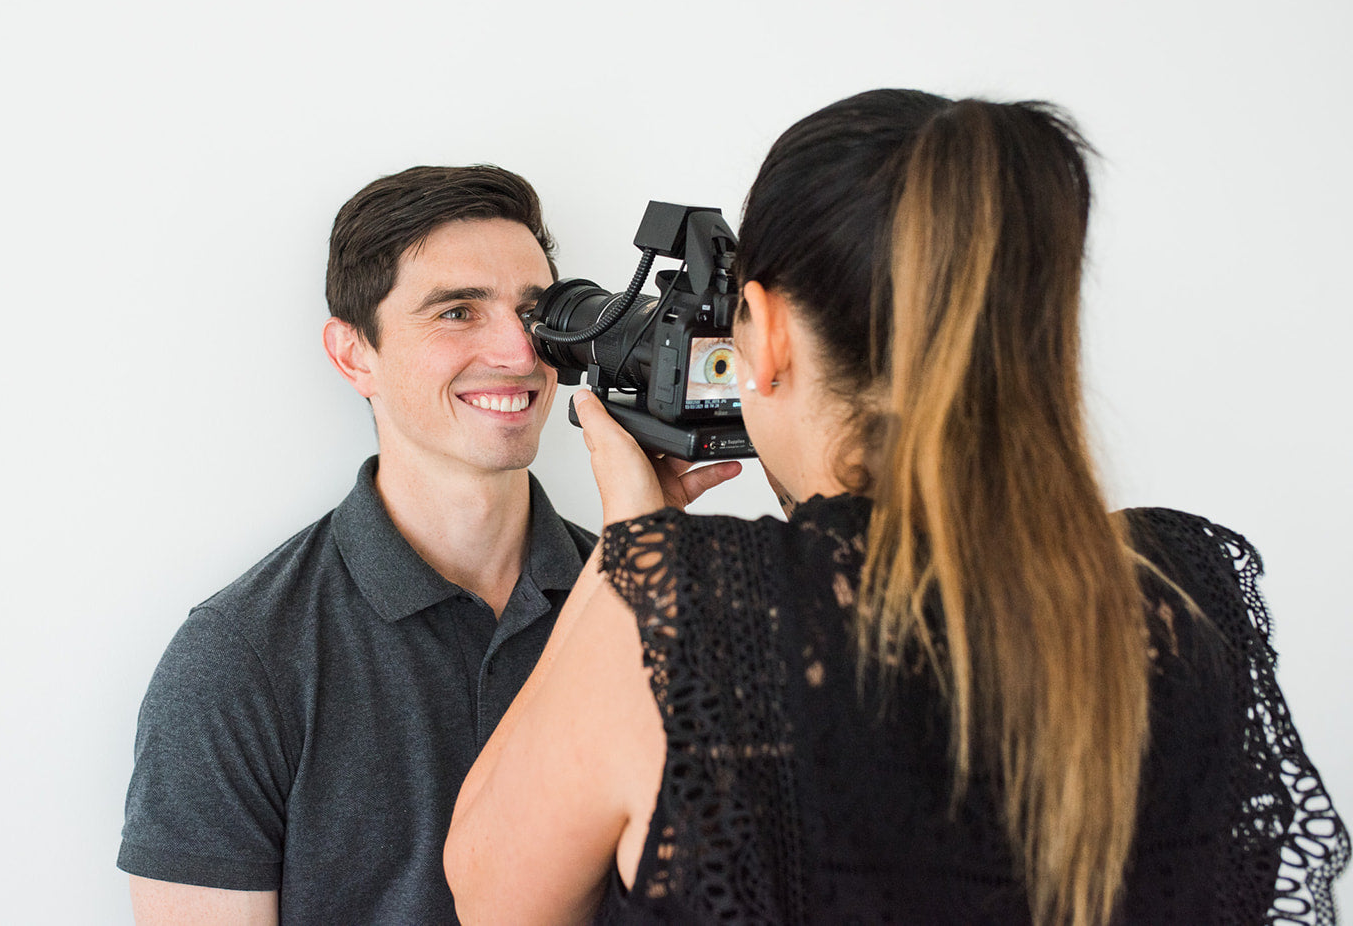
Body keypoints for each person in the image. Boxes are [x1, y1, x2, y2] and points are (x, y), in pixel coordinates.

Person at [445, 91, 1349, 925]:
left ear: (770, 332)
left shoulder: (693, 612)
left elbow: (491, 894)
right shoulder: (1190, 590)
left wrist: (637, 552)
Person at [120, 165, 613, 924]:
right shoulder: (237, 661)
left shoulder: (642, 604)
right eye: (457, 312)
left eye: (534, 312)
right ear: (355, 355)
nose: (521, 353)